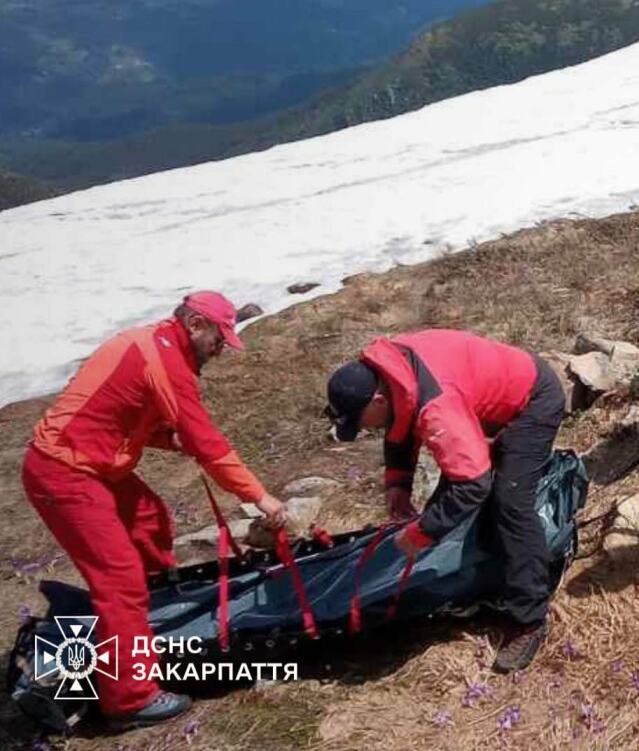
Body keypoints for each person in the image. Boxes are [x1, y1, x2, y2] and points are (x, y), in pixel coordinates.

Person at [22, 291, 287, 729]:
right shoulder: (164, 360)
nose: (220, 351)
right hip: (65, 471)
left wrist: (168, 437)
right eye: (218, 340)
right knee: (120, 580)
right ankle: (129, 698)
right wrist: (260, 497)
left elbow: (121, 410)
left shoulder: (155, 346)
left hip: (92, 462)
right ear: (195, 324)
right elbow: (209, 445)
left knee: (148, 519)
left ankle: (152, 617)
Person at [323, 329, 565, 673]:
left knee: (510, 503)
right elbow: (400, 419)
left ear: (376, 401)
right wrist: (398, 484)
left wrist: (421, 534)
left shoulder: (436, 407)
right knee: (453, 504)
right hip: (479, 393)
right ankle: (477, 574)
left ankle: (529, 619)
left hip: (533, 401)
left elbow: (472, 485)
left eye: (360, 423)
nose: (364, 431)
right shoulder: (391, 370)